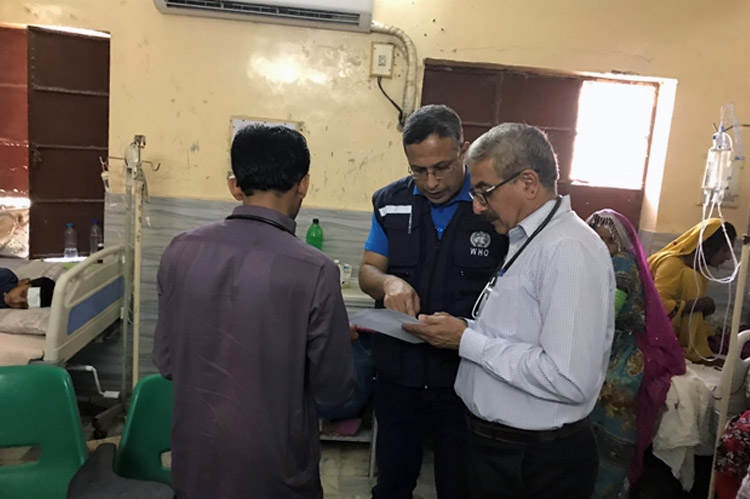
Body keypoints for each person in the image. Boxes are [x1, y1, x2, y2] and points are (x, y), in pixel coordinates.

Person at [403, 123, 614, 499]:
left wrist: (467, 342)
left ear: (529, 182)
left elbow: (567, 377)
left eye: (484, 192)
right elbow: (519, 332)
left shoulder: (567, 250)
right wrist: (459, 330)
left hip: (534, 462)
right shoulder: (527, 238)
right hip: (498, 450)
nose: (477, 206)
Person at [153, 125, 356, 499]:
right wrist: (336, 341)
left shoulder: (179, 250)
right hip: (274, 471)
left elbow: (167, 363)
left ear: (235, 185)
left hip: (195, 463)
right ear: (304, 184)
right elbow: (334, 390)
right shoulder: (315, 270)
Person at [359, 104, 507, 499]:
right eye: (418, 170)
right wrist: (389, 284)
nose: (431, 182)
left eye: (441, 167)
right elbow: (368, 271)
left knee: (459, 485)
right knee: (392, 483)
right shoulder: (390, 202)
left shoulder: (491, 207)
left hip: (462, 379)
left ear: (464, 150)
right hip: (398, 376)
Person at [586, 210, 686, 498]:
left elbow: (606, 317)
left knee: (609, 402)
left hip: (625, 349)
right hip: (608, 342)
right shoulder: (598, 262)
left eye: (610, 240)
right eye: (597, 239)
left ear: (623, 244)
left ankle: (608, 486)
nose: (604, 246)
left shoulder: (622, 266)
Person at [647, 219, 737, 361]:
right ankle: (692, 352)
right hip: (650, 332)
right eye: (725, 250)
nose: (728, 257)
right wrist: (694, 305)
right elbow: (657, 308)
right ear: (708, 247)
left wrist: (702, 307)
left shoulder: (698, 270)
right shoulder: (672, 264)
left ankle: (692, 348)